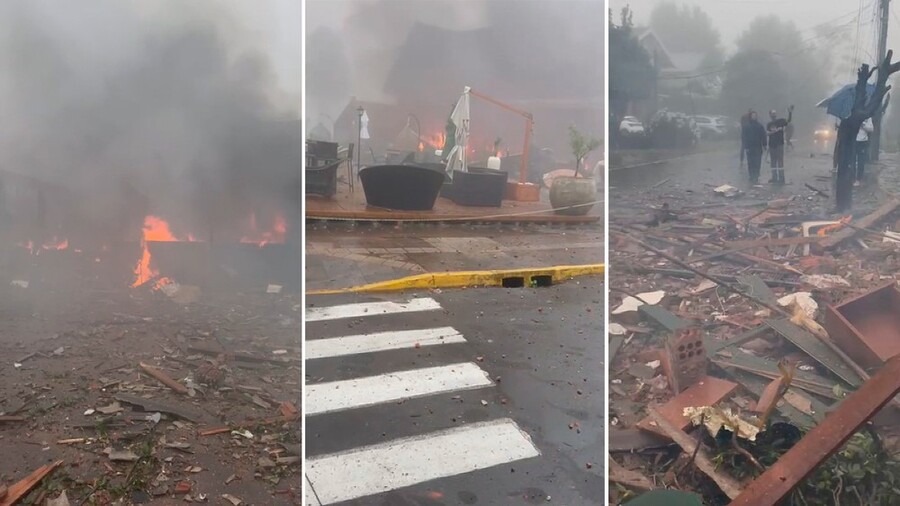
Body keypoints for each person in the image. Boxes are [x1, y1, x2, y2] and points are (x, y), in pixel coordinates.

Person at [766, 105, 794, 184]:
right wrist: (774, 131)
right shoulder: (769, 124)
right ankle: (774, 177)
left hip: (779, 144)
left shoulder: (781, 121)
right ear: (770, 115)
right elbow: (767, 133)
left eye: (774, 113)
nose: (773, 115)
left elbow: (788, 121)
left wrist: (790, 113)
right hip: (772, 145)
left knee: (780, 161)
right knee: (773, 162)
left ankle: (781, 178)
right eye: (772, 113)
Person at [743, 110, 767, 184]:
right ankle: (751, 176)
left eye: (755, 115)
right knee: (750, 163)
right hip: (750, 147)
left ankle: (756, 176)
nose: (754, 117)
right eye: (753, 115)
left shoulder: (759, 126)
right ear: (750, 116)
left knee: (757, 162)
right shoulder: (746, 126)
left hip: (758, 147)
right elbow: (744, 137)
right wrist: (746, 147)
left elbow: (763, 136)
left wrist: (764, 145)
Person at [854, 117, 874, 186]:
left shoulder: (867, 117)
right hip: (853, 140)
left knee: (861, 161)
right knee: (851, 160)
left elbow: (871, 129)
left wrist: (863, 124)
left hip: (862, 142)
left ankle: (858, 179)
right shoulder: (852, 114)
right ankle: (851, 177)